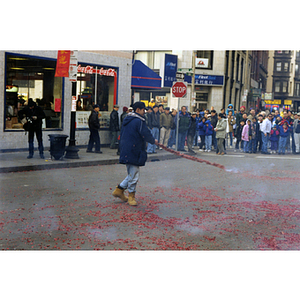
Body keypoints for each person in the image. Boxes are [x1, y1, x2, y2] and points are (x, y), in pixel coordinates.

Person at [112, 102, 158, 206]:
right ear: (138, 110)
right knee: (134, 174)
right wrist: (153, 140)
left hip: (126, 148)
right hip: (134, 149)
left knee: (132, 172)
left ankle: (119, 190)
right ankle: (131, 196)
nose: (144, 112)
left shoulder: (127, 119)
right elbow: (145, 133)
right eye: (143, 110)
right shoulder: (139, 121)